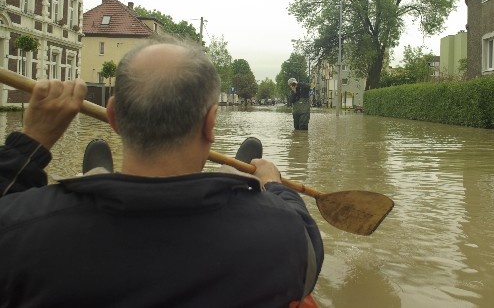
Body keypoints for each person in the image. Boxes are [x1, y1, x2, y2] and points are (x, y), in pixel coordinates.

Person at [0, 35, 323, 307]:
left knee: (90, 182)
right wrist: (271, 185)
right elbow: (307, 246)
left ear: (113, 118)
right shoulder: (281, 233)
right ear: (211, 123)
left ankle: (97, 178)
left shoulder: (19, 228)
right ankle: (238, 184)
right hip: (254, 224)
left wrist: (29, 145)